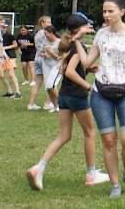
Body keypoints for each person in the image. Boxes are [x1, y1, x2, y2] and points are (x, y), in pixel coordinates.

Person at [73, 0, 125, 199]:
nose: (107, 15)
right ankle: (115, 184)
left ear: (121, 11)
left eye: (110, 11)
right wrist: (77, 41)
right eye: (104, 12)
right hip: (101, 93)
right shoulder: (101, 34)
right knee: (109, 141)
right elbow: (86, 62)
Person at [26, 13, 110, 191]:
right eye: (87, 25)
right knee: (89, 132)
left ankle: (38, 167)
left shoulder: (68, 44)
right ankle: (91, 174)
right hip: (77, 96)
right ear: (79, 28)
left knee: (64, 135)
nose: (90, 28)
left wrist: (88, 69)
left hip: (64, 94)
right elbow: (70, 72)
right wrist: (88, 86)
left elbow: (70, 68)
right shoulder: (76, 47)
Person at [28, 16, 54, 111]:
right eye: (48, 22)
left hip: (37, 58)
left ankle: (31, 104)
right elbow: (47, 47)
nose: (50, 24)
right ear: (42, 23)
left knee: (37, 82)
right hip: (44, 59)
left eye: (50, 22)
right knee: (50, 82)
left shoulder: (37, 33)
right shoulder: (45, 33)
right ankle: (48, 103)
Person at [0, 25, 22, 99]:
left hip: (10, 56)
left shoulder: (9, 35)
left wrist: (5, 48)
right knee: (1, 75)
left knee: (11, 74)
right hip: (2, 57)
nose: (3, 29)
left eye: (4, 27)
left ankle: (18, 92)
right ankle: (9, 91)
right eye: (2, 27)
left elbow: (15, 45)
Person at [42, 25, 62, 113]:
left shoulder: (60, 42)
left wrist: (51, 52)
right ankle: (55, 106)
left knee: (52, 86)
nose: (45, 35)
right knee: (48, 87)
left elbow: (61, 58)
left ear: (51, 33)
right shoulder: (46, 42)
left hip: (57, 67)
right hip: (47, 66)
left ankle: (62, 104)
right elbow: (47, 54)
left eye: (46, 33)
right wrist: (45, 55)